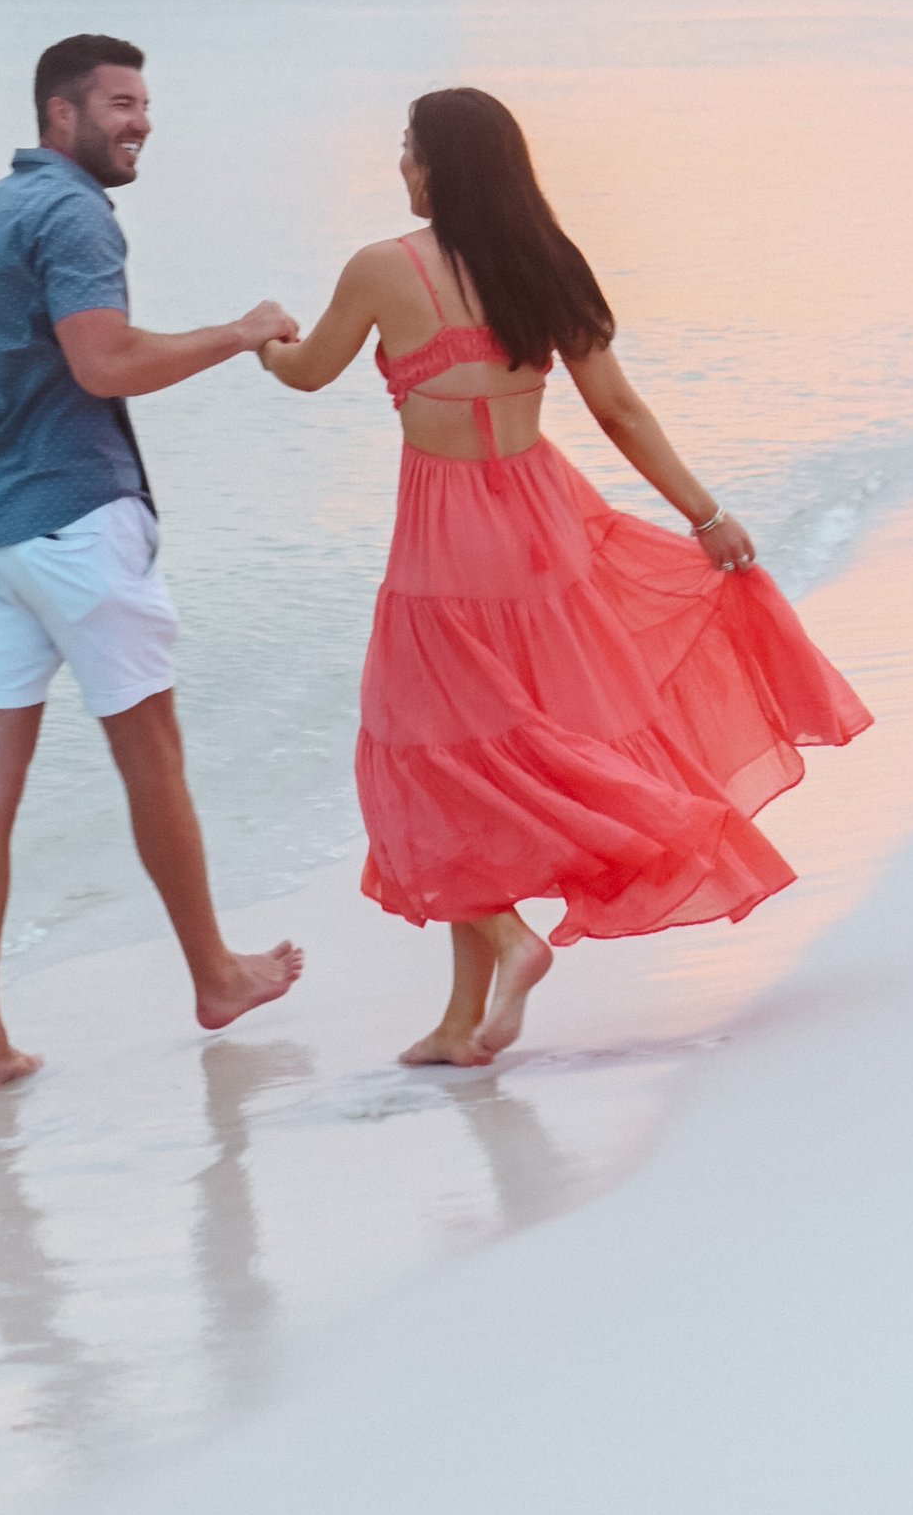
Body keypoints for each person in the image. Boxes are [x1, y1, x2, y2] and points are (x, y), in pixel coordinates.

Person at [258, 84, 871, 1067]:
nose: (401, 167)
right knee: (484, 744)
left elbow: (307, 372)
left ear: (440, 165)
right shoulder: (543, 264)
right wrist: (703, 516)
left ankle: (507, 940)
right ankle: (464, 1022)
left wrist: (263, 339)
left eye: (409, 150)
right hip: (545, 530)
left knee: (429, 750)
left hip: (447, 541)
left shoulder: (383, 268)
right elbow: (618, 409)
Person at [0, 35, 307, 1097]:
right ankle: (216, 975)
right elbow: (102, 361)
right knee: (152, 752)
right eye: (117, 104)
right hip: (72, 517)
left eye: (144, 103)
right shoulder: (73, 215)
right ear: (61, 115)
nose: (138, 122)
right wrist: (238, 333)